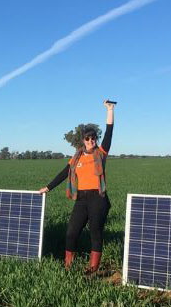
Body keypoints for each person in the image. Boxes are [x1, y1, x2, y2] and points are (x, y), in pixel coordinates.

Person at [40, 100, 115, 273]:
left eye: (93, 138)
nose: (91, 141)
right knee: (71, 232)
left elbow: (110, 133)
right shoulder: (76, 158)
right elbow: (63, 173)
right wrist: (48, 187)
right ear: (83, 140)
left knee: (95, 233)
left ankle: (93, 269)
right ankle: (68, 265)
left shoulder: (101, 154)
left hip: (98, 197)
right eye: (88, 138)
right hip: (81, 198)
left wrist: (110, 110)